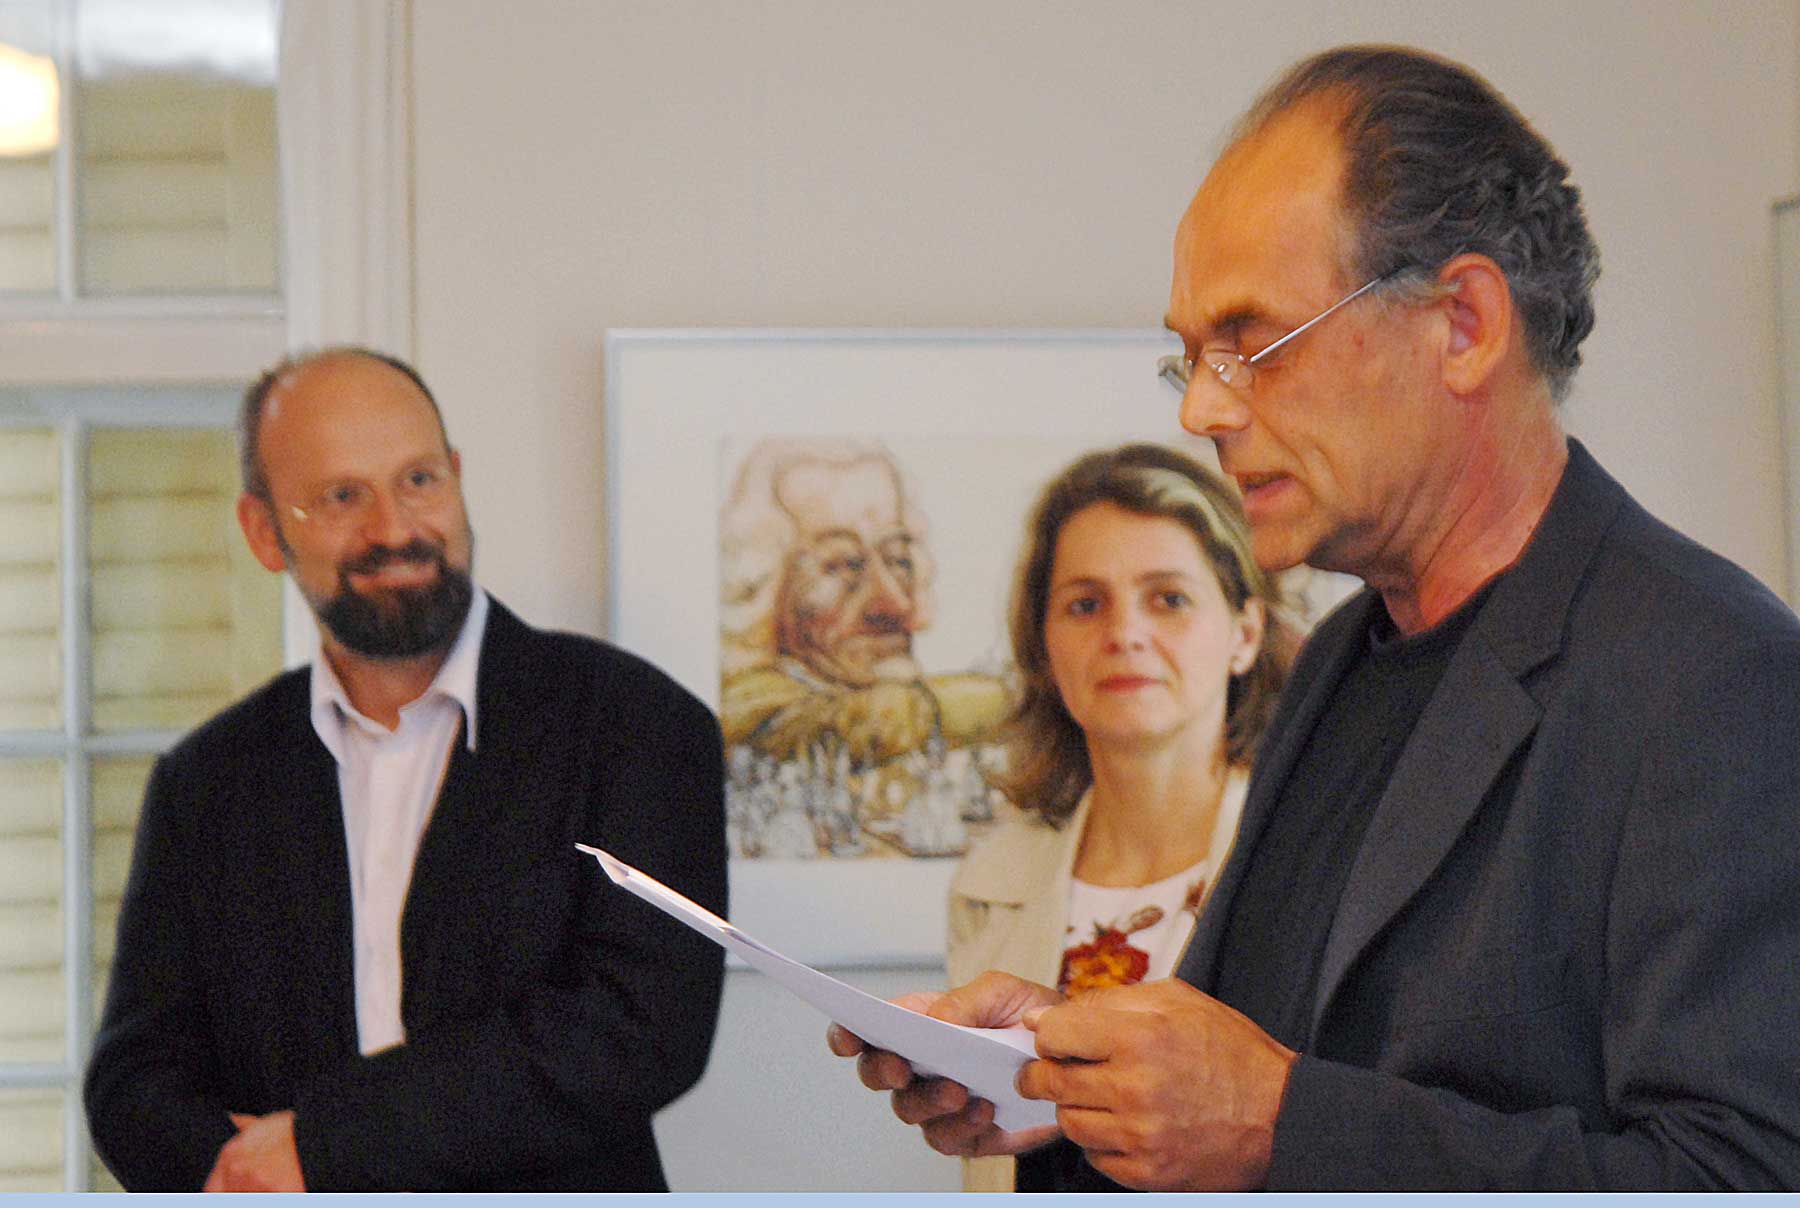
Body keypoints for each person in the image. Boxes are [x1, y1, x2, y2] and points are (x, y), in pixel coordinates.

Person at [830, 44, 1800, 1190]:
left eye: (1253, 344)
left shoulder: (1718, 677)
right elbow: (1251, 1065)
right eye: (1190, 360)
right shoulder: (1345, 653)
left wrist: (1282, 1121)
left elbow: (1746, 1174)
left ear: (1465, 323)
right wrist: (1064, 1074)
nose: (1204, 408)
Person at [83, 347, 727, 1191]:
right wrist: (235, 1171)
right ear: (263, 531)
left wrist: (324, 1147)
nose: (393, 529)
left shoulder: (636, 726)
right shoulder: (205, 782)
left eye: (419, 480)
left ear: (456, 476)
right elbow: (133, 1078)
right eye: (342, 497)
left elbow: (642, 1025)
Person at [947, 444, 1287, 1191]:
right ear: (1043, 647)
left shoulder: (1310, 855)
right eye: (1085, 604)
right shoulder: (990, 880)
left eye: (1169, 599)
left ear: (1245, 634)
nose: (1124, 633)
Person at [719, 438, 1009, 857]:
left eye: (899, 560)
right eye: (843, 564)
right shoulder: (745, 702)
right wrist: (1007, 696)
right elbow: (847, 725)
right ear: (764, 585)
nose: (894, 603)